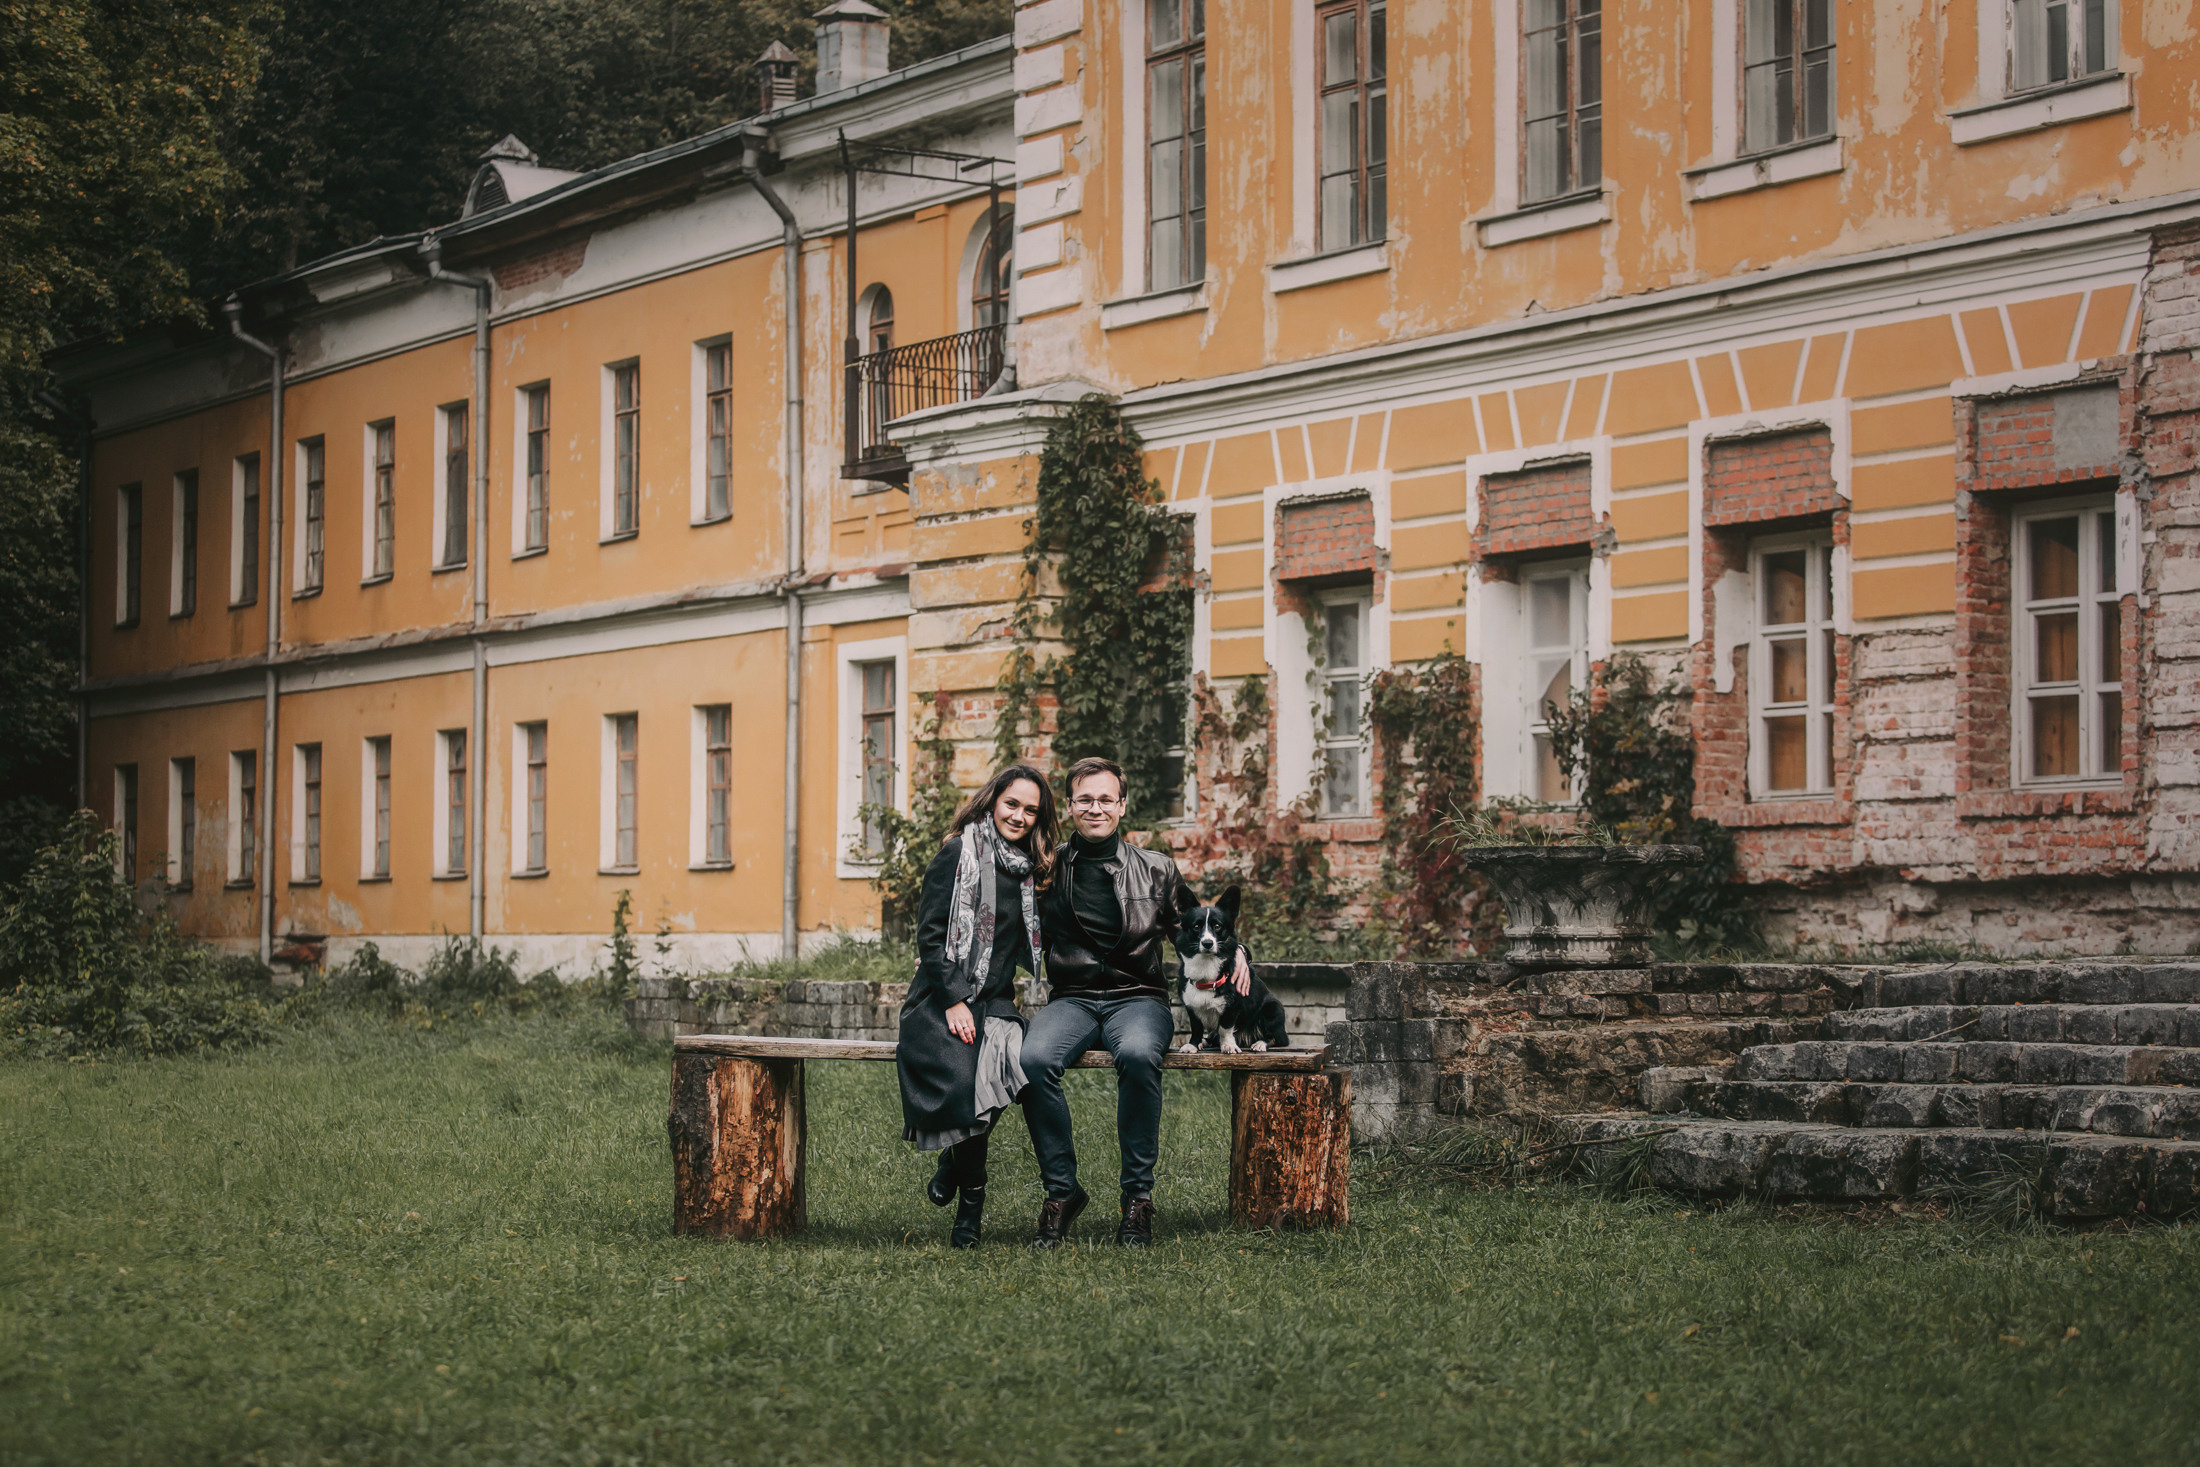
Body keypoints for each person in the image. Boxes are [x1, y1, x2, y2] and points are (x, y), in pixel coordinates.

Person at [1020, 756, 1250, 1249]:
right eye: (1085, 799)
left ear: (1122, 805)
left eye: (1106, 799)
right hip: (1073, 998)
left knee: (1141, 1055)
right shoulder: (1047, 867)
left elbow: (1198, 928)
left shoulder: (1157, 869)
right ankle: (1062, 1192)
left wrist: (1241, 953)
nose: (1095, 808)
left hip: (1138, 997)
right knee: (1033, 1059)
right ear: (1070, 805)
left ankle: (1137, 1200)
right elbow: (1009, 925)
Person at [897, 764, 1057, 1249]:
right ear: (992, 801)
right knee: (968, 1078)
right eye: (1012, 804)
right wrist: (954, 1000)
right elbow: (930, 935)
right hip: (941, 995)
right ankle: (971, 1208)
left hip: (997, 1000)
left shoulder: (1031, 870)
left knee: (1011, 1064)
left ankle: (953, 1163)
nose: (1020, 816)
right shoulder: (958, 853)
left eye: (1031, 810)